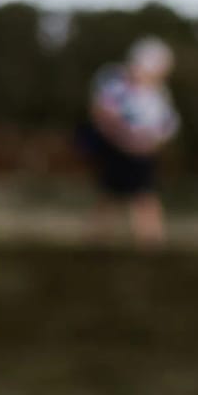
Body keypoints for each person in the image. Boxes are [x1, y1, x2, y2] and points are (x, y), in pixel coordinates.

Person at [79, 30, 179, 242]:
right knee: (115, 196)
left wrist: (149, 142)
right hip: (117, 149)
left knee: (142, 196)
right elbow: (102, 114)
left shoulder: (157, 93)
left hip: (142, 153)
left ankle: (149, 241)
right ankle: (99, 241)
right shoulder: (115, 82)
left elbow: (167, 126)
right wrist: (125, 138)